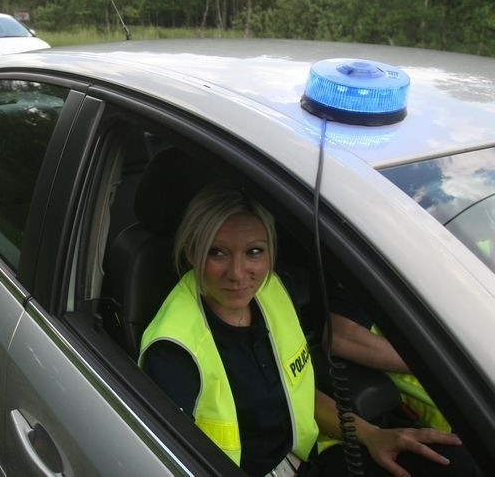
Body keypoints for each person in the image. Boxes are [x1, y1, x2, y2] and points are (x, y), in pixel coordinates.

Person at [139, 181, 479, 476]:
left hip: (307, 459)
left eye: (254, 252)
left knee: (456, 464)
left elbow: (297, 391)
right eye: (217, 253)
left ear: (271, 252)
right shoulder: (174, 349)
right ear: (191, 252)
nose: (239, 273)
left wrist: (373, 435)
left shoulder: (271, 292)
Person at [329, 289, 452, 432]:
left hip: (459, 419)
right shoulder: (379, 279)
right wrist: (439, 365)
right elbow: (340, 336)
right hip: (433, 424)